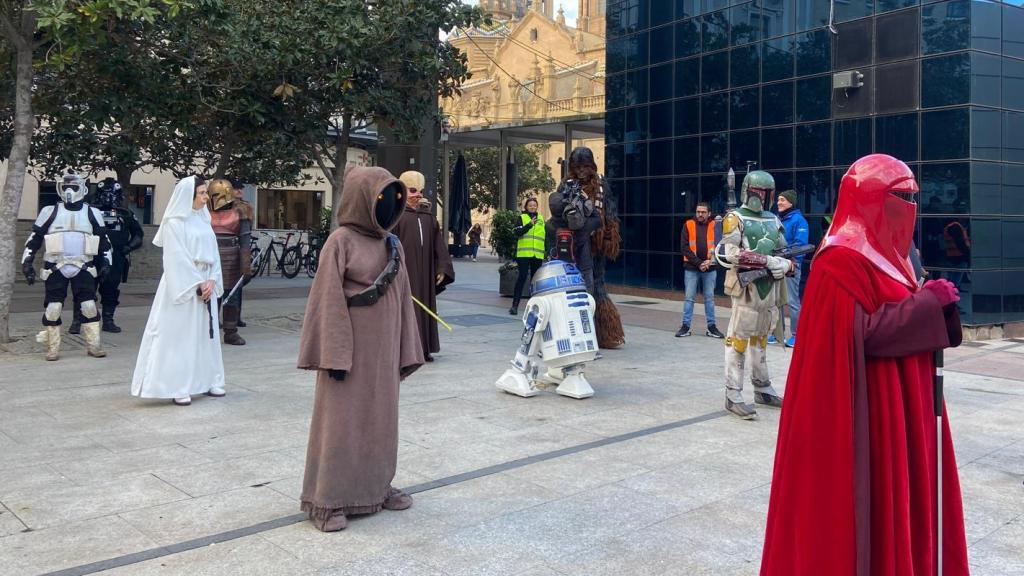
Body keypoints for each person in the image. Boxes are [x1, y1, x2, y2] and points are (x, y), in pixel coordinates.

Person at [761, 154, 968, 576]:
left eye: (912, 196)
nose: (909, 205)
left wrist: (932, 301)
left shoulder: (897, 254)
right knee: (869, 510)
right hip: (870, 413)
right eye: (900, 196)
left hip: (906, 408)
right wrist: (927, 304)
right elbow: (862, 333)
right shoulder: (838, 260)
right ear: (870, 199)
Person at [297, 166, 424, 532]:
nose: (389, 205)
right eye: (383, 197)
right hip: (348, 354)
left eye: (394, 199)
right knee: (340, 424)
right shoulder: (340, 241)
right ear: (362, 200)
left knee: (381, 421)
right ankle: (328, 500)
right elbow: (326, 301)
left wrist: (406, 350)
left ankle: (376, 488)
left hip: (382, 353)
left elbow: (402, 299)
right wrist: (333, 354)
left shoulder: (392, 244)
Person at [131, 176, 226, 406]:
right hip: (183, 285)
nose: (206, 197)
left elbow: (213, 252)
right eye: (202, 193)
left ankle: (209, 379)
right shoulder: (175, 223)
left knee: (205, 335)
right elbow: (176, 257)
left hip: (206, 283)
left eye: (205, 192)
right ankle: (178, 384)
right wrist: (197, 282)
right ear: (189, 196)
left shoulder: (204, 220)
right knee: (179, 337)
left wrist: (212, 278)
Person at [714, 170, 791, 420]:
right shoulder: (735, 218)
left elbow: (783, 250)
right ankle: (733, 393)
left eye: (770, 192)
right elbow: (727, 252)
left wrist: (785, 265)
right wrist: (767, 260)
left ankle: (762, 386)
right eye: (762, 192)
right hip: (747, 287)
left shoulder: (773, 219)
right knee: (738, 339)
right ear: (750, 191)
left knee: (761, 339)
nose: (766, 197)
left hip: (769, 287)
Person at [22, 172, 111, 360]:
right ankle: (52, 348)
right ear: (59, 188)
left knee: (88, 306)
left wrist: (106, 262)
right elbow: (34, 239)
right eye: (65, 187)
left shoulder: (92, 212)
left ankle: (94, 345)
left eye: (74, 187)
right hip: (55, 266)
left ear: (83, 189)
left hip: (84, 266)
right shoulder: (49, 211)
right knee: (53, 308)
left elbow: (104, 241)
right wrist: (27, 261)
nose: (69, 191)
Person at [547, 146, 625, 349]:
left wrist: (608, 237)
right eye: (578, 166)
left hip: (595, 244)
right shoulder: (566, 184)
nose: (581, 170)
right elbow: (557, 213)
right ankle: (571, 331)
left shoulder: (600, 183)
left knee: (596, 285)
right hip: (572, 243)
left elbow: (609, 212)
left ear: (591, 165)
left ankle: (602, 332)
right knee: (569, 287)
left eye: (585, 166)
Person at [392, 170, 454, 362]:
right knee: (405, 310)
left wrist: (442, 268)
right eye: (412, 190)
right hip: (404, 274)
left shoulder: (428, 218)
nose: (418, 194)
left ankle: (423, 348)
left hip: (425, 275)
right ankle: (404, 351)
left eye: (420, 190)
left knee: (424, 308)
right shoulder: (394, 216)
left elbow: (439, 246)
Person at [68, 178, 144, 334]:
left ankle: (108, 320)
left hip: (116, 258)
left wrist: (127, 248)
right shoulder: (88, 212)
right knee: (84, 289)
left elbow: (138, 235)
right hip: (90, 256)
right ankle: (77, 320)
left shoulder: (126, 214)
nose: (108, 197)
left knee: (110, 290)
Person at [207, 178, 253, 345]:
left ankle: (231, 331)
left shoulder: (241, 211)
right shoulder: (204, 212)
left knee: (231, 296)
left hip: (232, 257)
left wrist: (245, 266)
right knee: (210, 296)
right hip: (209, 257)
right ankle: (207, 330)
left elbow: (245, 241)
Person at [677, 202, 723, 338]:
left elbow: (720, 245)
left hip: (710, 268)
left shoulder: (715, 225)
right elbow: (684, 247)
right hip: (692, 268)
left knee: (709, 299)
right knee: (689, 298)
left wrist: (710, 261)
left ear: (709, 213)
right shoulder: (688, 225)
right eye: (698, 212)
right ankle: (685, 326)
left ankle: (711, 327)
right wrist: (699, 263)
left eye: (703, 212)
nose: (700, 214)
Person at [769, 189, 808, 347]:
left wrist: (792, 259)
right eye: (778, 200)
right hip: (777, 264)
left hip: (791, 265)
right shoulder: (778, 219)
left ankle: (796, 335)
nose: (779, 202)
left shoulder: (799, 221)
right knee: (776, 301)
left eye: (782, 200)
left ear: (791, 202)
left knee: (792, 301)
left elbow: (801, 244)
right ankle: (777, 334)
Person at [509, 198, 545, 316]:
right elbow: (517, 232)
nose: (533, 207)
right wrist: (529, 225)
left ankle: (534, 307)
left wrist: (548, 251)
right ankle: (514, 306)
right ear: (526, 207)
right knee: (522, 277)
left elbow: (545, 236)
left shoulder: (541, 219)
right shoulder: (522, 218)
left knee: (535, 281)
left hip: (537, 254)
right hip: (524, 254)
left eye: (535, 205)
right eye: (530, 205)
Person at [229, 177, 254, 328]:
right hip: (221, 247)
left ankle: (234, 317)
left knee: (236, 287)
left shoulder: (244, 208)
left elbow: (245, 236)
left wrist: (246, 263)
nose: (239, 190)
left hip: (237, 249)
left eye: (240, 188)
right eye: (235, 188)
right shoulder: (218, 207)